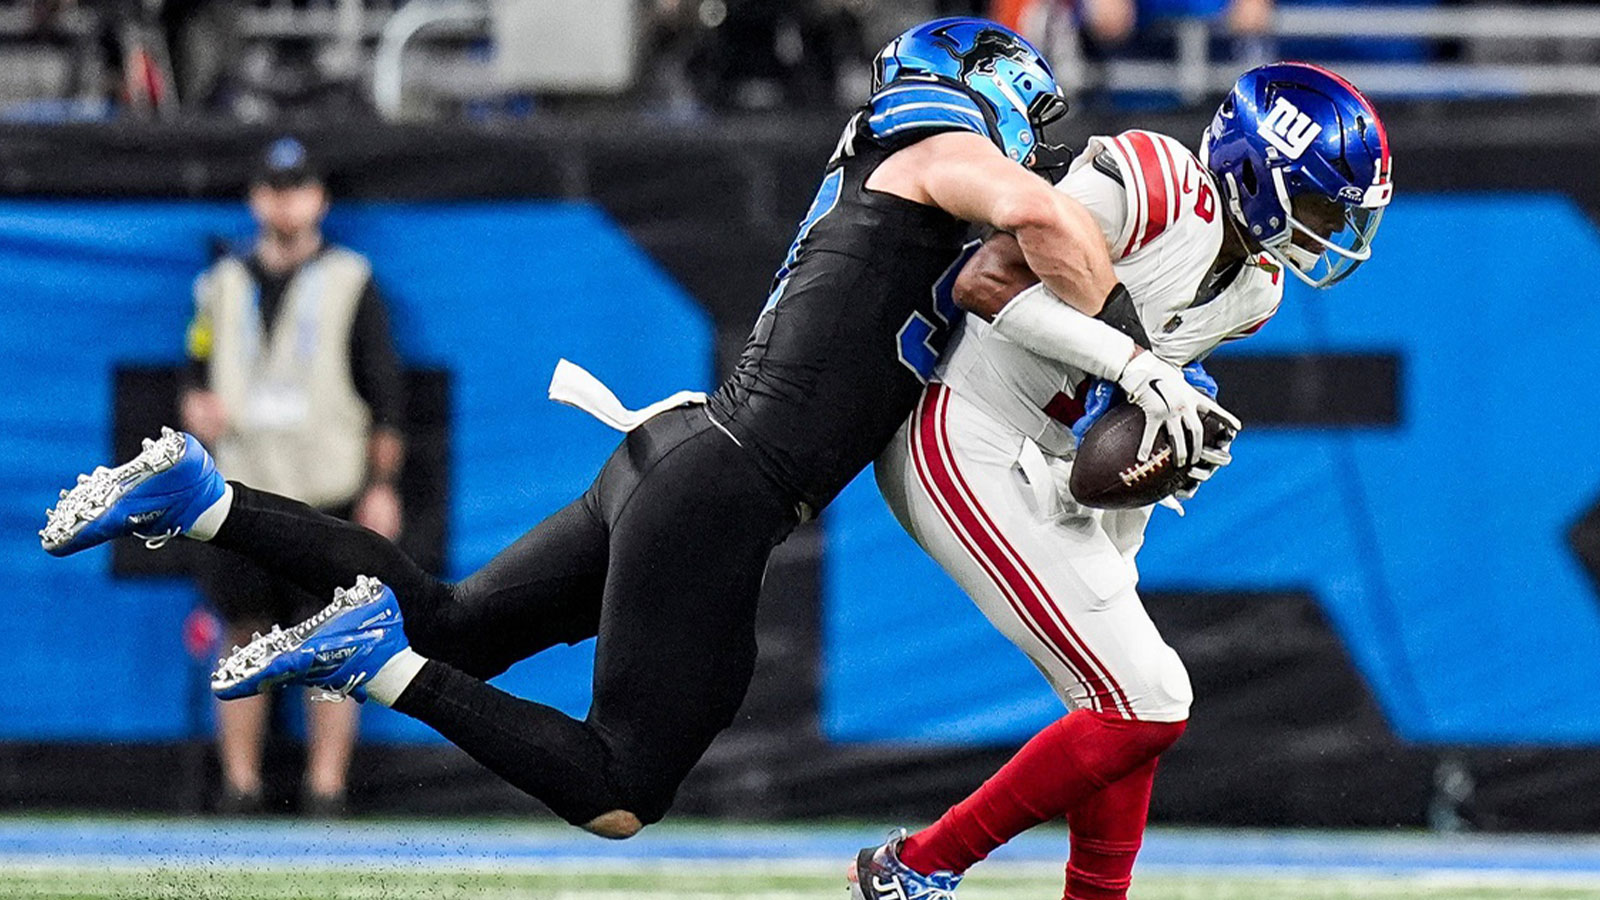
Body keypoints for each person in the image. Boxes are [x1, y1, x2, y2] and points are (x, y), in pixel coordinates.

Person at [40, 17, 1213, 839]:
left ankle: (205, 501)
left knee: (458, 623)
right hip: (724, 488)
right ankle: (372, 663)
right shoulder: (936, 153)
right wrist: (1128, 355)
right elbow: (1036, 210)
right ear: (987, 93)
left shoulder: (883, 170)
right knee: (618, 790)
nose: (1037, 143)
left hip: (681, 451)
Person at [850, 62, 1392, 900]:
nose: (1331, 234)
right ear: (1256, 173)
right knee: (1149, 697)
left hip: (1044, 464)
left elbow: (1113, 410)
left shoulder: (1257, 289)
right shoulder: (1156, 181)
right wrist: (1142, 369)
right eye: (1321, 208)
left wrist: (1156, 468)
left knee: (1127, 700)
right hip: (964, 427)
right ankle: (914, 868)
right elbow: (985, 283)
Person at [182, 135, 406, 815]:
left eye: (298, 188)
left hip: (324, 487)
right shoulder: (219, 285)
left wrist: (381, 485)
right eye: (274, 188)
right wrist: (196, 411)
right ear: (257, 198)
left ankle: (326, 791)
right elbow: (195, 374)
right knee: (241, 632)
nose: (286, 202)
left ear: (320, 199)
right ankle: (241, 785)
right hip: (241, 491)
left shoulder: (351, 280)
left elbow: (385, 397)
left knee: (331, 642)